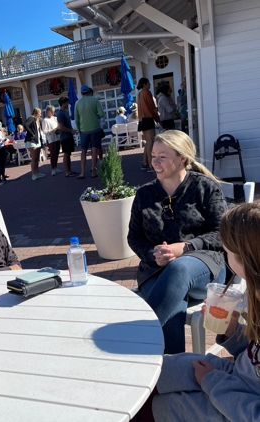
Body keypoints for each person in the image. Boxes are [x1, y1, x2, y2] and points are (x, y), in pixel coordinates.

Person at [132, 201, 260, 422]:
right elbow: (253, 356)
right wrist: (232, 332)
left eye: (227, 251)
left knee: (163, 406)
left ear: (246, 258)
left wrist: (212, 382)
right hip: (235, 377)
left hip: (240, 404)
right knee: (162, 370)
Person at [127, 130, 227, 354]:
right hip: (155, 268)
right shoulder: (145, 194)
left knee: (179, 267)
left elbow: (222, 233)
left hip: (203, 265)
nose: (155, 162)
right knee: (173, 309)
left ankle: (135, 342)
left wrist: (186, 247)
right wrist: (153, 254)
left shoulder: (204, 187)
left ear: (182, 158)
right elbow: (134, 237)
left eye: (163, 156)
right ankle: (172, 375)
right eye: (153, 155)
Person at [74, 84, 106, 179]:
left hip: (83, 130)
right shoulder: (95, 100)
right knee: (94, 150)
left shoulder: (77, 103)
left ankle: (82, 173)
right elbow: (101, 114)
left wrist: (79, 129)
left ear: (81, 93)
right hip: (95, 128)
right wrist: (94, 116)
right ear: (89, 92)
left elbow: (77, 119)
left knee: (83, 151)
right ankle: (93, 171)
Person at [137, 77, 160, 172]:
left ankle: (145, 163)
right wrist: (158, 119)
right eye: (148, 83)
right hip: (148, 119)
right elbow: (152, 108)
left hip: (142, 120)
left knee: (147, 143)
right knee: (150, 143)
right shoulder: (147, 92)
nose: (150, 85)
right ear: (144, 84)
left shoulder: (139, 94)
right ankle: (151, 166)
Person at [57, 96, 77, 177]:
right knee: (66, 154)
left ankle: (70, 170)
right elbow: (61, 127)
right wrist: (70, 131)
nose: (68, 104)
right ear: (63, 103)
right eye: (66, 102)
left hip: (68, 136)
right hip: (65, 137)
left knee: (68, 153)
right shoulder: (60, 114)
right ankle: (67, 171)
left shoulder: (65, 112)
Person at [24, 108, 45, 181]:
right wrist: (32, 134)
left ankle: (37, 173)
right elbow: (26, 125)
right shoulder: (31, 118)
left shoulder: (37, 120)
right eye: (39, 113)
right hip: (32, 141)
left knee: (36, 158)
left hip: (37, 141)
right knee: (34, 158)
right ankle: (34, 174)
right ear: (36, 113)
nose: (40, 114)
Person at [42, 105, 62, 176]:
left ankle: (55, 167)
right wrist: (52, 131)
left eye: (54, 112)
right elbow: (44, 131)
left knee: (57, 153)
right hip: (51, 139)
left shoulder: (55, 118)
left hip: (57, 137)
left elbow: (59, 126)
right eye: (52, 112)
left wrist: (58, 130)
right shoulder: (45, 120)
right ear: (48, 112)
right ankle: (53, 168)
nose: (53, 113)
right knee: (53, 154)